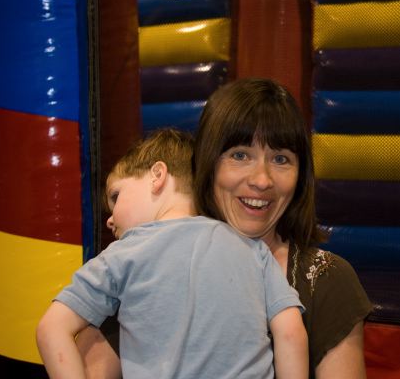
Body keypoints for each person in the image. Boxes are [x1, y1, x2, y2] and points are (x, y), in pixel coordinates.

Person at [76, 78, 373, 378]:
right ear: (208, 163)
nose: (262, 180)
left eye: (281, 159)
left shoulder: (325, 279)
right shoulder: (147, 261)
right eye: (240, 155)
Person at [36, 128, 308, 378]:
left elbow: (51, 329)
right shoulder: (252, 249)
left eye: (116, 196)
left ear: (157, 175)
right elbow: (290, 332)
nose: (110, 219)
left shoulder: (123, 253)